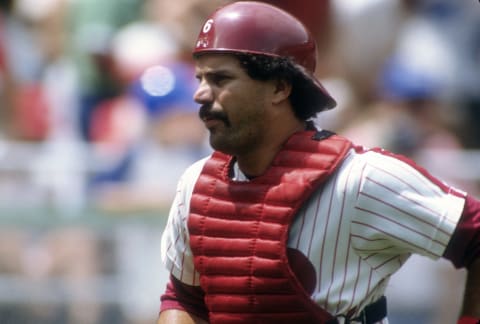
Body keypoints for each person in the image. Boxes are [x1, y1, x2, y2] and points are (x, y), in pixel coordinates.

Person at [157, 2, 480, 323]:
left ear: (280, 88)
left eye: (221, 79)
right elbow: (184, 297)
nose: (200, 94)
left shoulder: (360, 179)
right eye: (200, 78)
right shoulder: (196, 183)